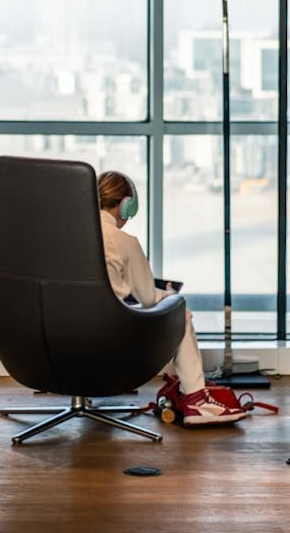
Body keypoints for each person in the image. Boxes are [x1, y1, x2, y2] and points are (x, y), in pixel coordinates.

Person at [97, 171, 249, 427]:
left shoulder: (66, 237)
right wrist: (170, 295)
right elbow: (147, 298)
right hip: (110, 341)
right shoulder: (125, 242)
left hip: (62, 340)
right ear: (126, 206)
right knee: (180, 309)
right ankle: (196, 399)